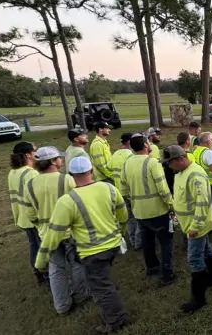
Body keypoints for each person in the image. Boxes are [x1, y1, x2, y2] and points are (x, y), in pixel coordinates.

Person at [35, 156, 128, 334]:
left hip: (92, 252)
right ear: (91, 171)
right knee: (103, 279)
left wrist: (40, 262)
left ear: (71, 175)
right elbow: (122, 214)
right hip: (113, 245)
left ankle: (116, 321)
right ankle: (113, 308)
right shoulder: (109, 188)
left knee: (101, 288)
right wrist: (121, 232)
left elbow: (52, 235)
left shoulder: (67, 201)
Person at [22, 146, 89, 314]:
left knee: (56, 269)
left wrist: (41, 226)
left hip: (46, 234)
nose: (61, 160)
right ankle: (81, 295)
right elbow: (79, 203)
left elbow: (29, 212)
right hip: (69, 232)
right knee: (76, 264)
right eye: (58, 158)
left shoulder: (29, 184)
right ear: (52, 161)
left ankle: (62, 304)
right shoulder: (66, 180)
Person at [163, 145, 212, 314]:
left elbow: (202, 203)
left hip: (196, 225)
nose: (169, 166)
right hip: (189, 223)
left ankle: (198, 298)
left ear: (181, 159)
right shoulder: (181, 172)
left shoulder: (195, 175)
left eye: (170, 162)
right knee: (207, 250)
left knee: (194, 258)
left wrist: (195, 227)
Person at [120, 134, 176, 286]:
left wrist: (133, 201)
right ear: (145, 145)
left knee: (148, 242)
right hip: (158, 210)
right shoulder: (152, 163)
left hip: (139, 212)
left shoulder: (127, 163)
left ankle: (152, 268)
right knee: (166, 242)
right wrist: (171, 204)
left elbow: (123, 188)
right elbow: (162, 188)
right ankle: (167, 274)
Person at [8, 141, 45, 285]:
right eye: (35, 150)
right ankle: (44, 273)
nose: (37, 153)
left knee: (33, 245)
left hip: (21, 216)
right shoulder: (31, 173)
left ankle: (37, 271)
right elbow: (36, 198)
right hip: (32, 217)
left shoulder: (13, 172)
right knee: (41, 246)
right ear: (28, 155)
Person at [106, 133, 139, 249]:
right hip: (130, 191)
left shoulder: (115, 154)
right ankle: (138, 240)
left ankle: (132, 240)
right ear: (129, 142)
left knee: (128, 216)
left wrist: (116, 179)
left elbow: (108, 168)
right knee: (137, 216)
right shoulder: (130, 156)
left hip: (119, 191)